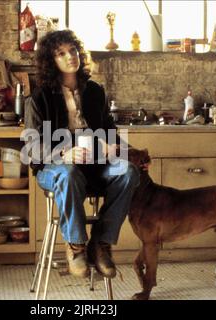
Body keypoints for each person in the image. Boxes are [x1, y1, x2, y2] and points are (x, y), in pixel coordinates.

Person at [24, 30, 140, 279]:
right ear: (51, 61)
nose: (70, 57)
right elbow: (32, 145)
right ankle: (76, 248)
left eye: (73, 50)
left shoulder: (95, 91)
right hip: (54, 167)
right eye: (61, 53)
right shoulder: (39, 96)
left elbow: (109, 129)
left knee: (128, 172)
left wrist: (113, 145)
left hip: (94, 165)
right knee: (67, 173)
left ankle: (101, 243)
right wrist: (64, 153)